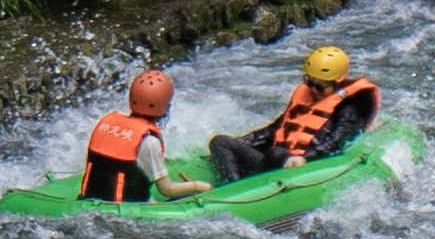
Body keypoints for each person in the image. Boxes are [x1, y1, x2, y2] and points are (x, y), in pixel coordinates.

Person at [208, 44, 380, 185]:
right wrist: (241, 143)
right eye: (309, 82)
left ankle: (241, 189)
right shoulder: (306, 98)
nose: (313, 90)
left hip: (304, 166)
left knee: (276, 153)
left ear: (337, 82)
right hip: (277, 160)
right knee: (220, 142)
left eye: (319, 86)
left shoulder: (349, 109)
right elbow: (275, 129)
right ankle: (234, 186)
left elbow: (334, 143)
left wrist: (304, 158)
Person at [78, 64, 205, 203]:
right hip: (130, 206)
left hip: (90, 197)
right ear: (164, 105)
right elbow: (167, 190)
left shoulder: (106, 123)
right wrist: (197, 186)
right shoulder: (150, 142)